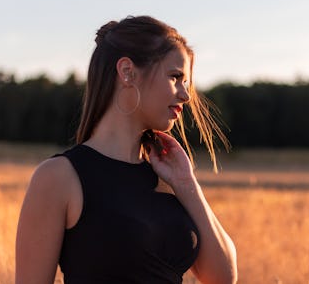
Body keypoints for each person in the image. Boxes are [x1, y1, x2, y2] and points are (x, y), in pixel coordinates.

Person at [15, 15, 238, 284]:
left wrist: (186, 183)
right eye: (176, 77)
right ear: (127, 72)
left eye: (186, 82)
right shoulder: (59, 177)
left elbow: (223, 278)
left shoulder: (167, 177)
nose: (185, 95)